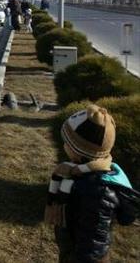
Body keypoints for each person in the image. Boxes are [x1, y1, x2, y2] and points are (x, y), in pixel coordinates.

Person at [45, 105, 138, 262]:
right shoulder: (79, 172)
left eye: (67, 143)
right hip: (73, 245)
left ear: (80, 151)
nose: (64, 146)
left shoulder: (97, 191)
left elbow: (93, 240)